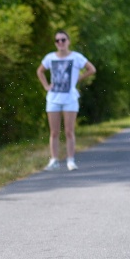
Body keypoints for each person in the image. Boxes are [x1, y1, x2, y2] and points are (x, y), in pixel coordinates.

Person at [36, 31, 96, 171]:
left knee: (69, 131)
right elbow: (40, 71)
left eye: (63, 40)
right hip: (53, 99)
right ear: (55, 43)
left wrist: (78, 79)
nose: (61, 43)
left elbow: (91, 69)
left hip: (70, 99)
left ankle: (70, 160)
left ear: (68, 41)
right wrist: (46, 86)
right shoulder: (50, 58)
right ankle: (54, 159)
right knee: (54, 132)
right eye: (58, 41)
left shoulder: (76, 57)